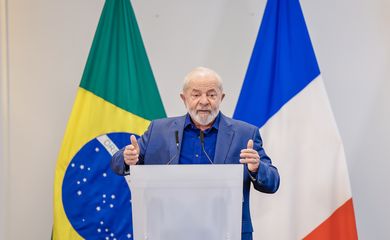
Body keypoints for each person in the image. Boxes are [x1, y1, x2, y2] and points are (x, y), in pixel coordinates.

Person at [111, 66, 280, 240]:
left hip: (228, 232)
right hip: (169, 232)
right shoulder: (159, 130)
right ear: (184, 98)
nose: (204, 101)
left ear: (221, 98)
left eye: (212, 95)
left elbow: (273, 182)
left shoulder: (245, 134)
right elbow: (117, 163)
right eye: (196, 94)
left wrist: (257, 168)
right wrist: (127, 157)